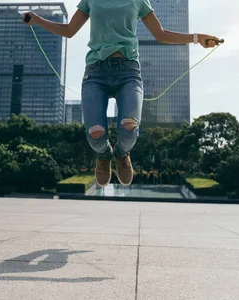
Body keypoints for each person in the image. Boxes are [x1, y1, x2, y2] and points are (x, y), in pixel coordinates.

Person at [23, 0, 220, 187]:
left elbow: (161, 34)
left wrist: (196, 38)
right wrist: (37, 19)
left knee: (129, 127)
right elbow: (69, 30)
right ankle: (104, 155)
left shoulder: (138, 0)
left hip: (128, 72)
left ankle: (122, 154)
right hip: (95, 73)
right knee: (96, 134)